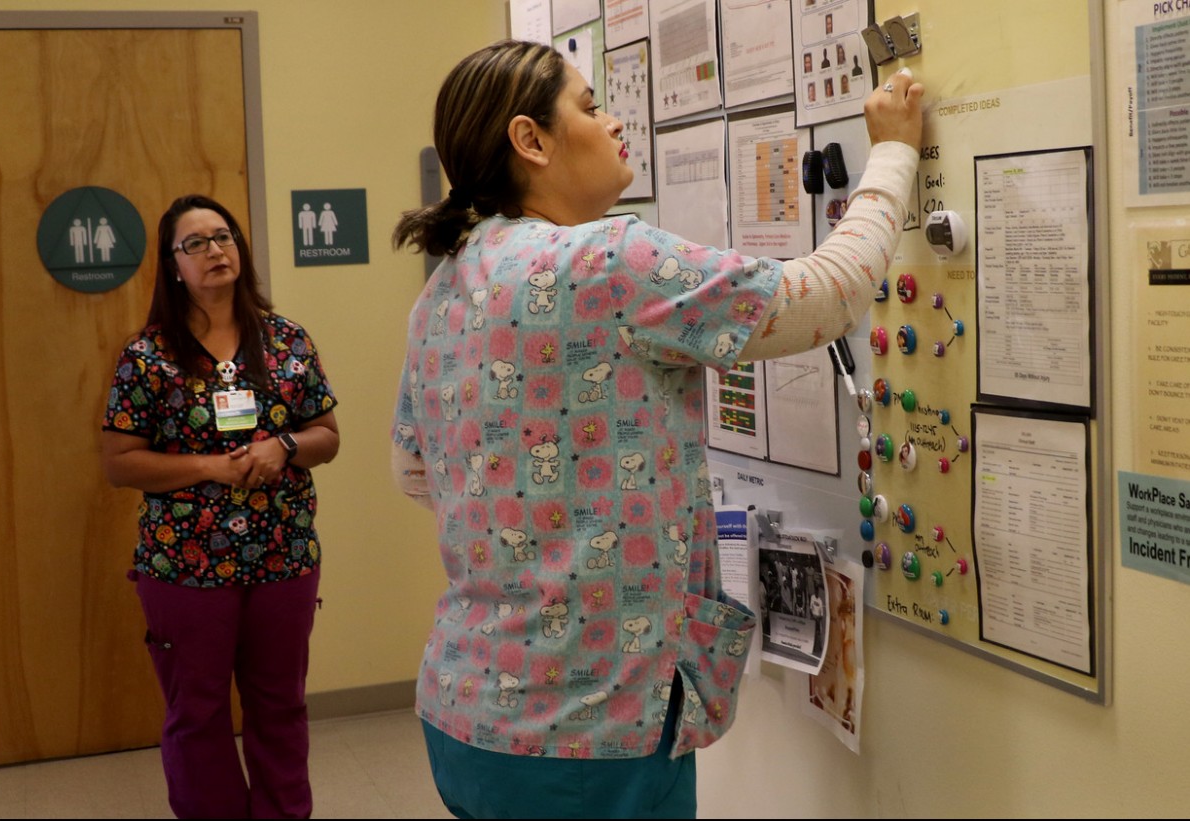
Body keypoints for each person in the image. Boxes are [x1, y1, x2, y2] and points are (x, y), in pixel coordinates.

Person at [390, 39, 922, 818]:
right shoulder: (606, 260)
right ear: (529, 141)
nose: (613, 123)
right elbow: (825, 298)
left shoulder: (442, 290)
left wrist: (533, 518)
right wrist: (895, 154)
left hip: (469, 711)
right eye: (589, 105)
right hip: (590, 732)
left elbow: (413, 470)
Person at [101, 194, 339, 819]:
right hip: (185, 564)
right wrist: (212, 467)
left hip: (283, 557)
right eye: (196, 243)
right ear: (172, 264)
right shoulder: (148, 355)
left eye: (223, 237)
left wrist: (285, 447)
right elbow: (119, 462)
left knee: (280, 704)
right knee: (198, 711)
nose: (215, 251)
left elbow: (327, 436)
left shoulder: (286, 340)